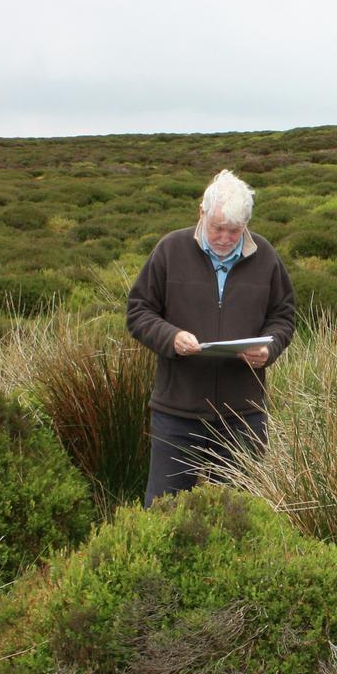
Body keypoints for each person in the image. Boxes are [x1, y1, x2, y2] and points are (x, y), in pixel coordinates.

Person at [126, 169, 297, 507]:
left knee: (239, 514)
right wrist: (171, 338)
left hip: (242, 416)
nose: (225, 237)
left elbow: (282, 317)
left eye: (235, 231)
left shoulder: (265, 257)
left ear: (246, 224)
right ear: (201, 214)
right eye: (218, 228)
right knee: (163, 512)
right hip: (177, 413)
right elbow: (139, 312)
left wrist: (269, 347)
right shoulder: (170, 250)